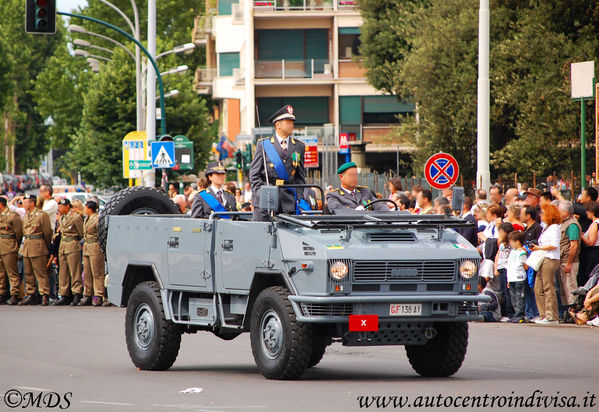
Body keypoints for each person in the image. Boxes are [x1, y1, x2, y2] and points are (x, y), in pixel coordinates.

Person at [250, 105, 307, 221]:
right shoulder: (264, 144)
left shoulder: (299, 146)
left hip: (288, 200)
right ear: (278, 125)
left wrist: (298, 196)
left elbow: (300, 176)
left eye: (292, 122)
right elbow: (254, 174)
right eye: (288, 122)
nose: (292, 125)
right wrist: (261, 193)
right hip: (266, 199)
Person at [19, 194, 53, 306]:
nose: (23, 204)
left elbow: (48, 232)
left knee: (40, 272)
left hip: (38, 246)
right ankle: (31, 294)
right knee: (28, 273)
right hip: (28, 246)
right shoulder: (26, 215)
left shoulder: (41, 215)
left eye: (25, 202)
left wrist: (44, 245)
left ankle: (44, 295)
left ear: (32, 203)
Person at [531, 203, 561, 324]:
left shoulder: (554, 227)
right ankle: (543, 314)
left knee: (548, 286)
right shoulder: (546, 227)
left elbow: (554, 245)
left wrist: (540, 248)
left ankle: (551, 315)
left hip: (550, 258)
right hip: (543, 257)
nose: (540, 215)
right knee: (538, 287)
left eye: (543, 213)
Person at [53, 198, 84, 306]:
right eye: (59, 206)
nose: (59, 208)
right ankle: (64, 294)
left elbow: (81, 234)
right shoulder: (62, 218)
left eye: (61, 206)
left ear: (67, 206)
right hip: (63, 247)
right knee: (63, 272)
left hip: (72, 246)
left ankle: (77, 293)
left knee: (74, 271)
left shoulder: (75, 217)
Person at [80, 200, 107, 307]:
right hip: (87, 247)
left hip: (95, 247)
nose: (84, 209)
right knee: (87, 272)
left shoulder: (97, 219)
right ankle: (88, 294)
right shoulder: (87, 218)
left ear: (90, 208)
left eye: (85, 207)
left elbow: (102, 234)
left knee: (97, 272)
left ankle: (99, 295)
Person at [557, 201, 581, 311]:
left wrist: (569, 263)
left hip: (569, 261)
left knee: (570, 286)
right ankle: (567, 310)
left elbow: (574, 245)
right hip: (562, 260)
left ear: (566, 212)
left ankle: (574, 309)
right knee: (564, 289)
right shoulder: (563, 223)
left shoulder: (572, 225)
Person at [0, 197, 23, 305]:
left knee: (12, 272)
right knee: (1, 272)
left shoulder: (13, 216)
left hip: (9, 246)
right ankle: (2, 293)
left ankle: (14, 294)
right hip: (1, 246)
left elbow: (19, 233)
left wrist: (15, 246)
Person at [493, 222, 515, 321]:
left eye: (501, 232)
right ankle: (505, 312)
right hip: (501, 267)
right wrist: (496, 267)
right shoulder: (502, 243)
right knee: (502, 291)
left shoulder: (511, 243)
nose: (500, 234)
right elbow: (498, 254)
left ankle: (509, 313)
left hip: (508, 268)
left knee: (508, 292)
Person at [506, 231, 528, 323]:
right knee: (513, 297)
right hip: (511, 277)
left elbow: (526, 266)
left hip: (519, 277)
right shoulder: (512, 252)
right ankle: (516, 314)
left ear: (517, 241)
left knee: (520, 297)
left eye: (511, 242)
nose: (510, 244)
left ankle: (520, 315)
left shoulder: (521, 253)